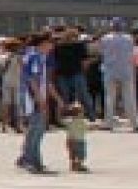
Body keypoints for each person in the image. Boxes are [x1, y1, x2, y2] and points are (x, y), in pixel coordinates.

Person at [17, 31, 54, 174]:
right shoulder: (35, 57)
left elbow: (44, 81)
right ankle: (32, 160)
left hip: (34, 97)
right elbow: (32, 80)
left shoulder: (37, 56)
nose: (52, 46)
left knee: (35, 129)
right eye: (50, 43)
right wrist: (39, 99)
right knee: (37, 130)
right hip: (32, 98)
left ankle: (28, 157)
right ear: (43, 43)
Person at [96, 21, 138, 132]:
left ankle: (108, 123)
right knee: (129, 97)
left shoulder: (105, 38)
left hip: (110, 69)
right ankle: (135, 123)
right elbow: (131, 52)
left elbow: (101, 52)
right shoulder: (129, 38)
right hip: (126, 69)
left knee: (110, 97)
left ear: (112, 27)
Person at [63, 102, 91, 172]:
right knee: (81, 155)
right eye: (82, 112)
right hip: (79, 141)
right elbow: (88, 127)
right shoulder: (82, 122)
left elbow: (63, 123)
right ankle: (78, 165)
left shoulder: (69, 121)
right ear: (80, 113)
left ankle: (73, 165)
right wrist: (97, 126)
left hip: (70, 140)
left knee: (73, 154)